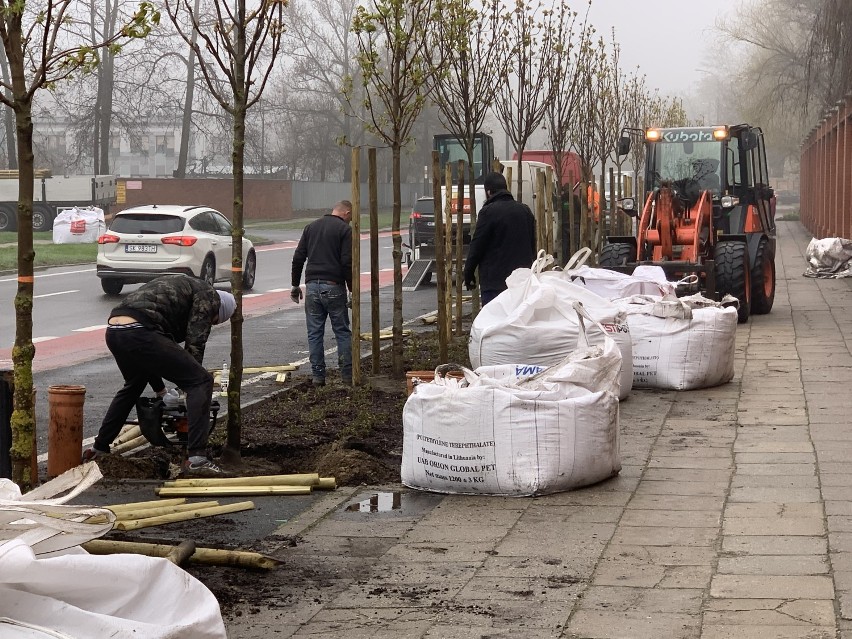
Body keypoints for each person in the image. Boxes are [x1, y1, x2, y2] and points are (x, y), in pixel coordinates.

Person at [82, 275, 236, 475]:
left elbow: (151, 359)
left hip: (115, 330)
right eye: (215, 321)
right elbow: (195, 341)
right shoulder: (210, 296)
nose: (212, 323)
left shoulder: (180, 289)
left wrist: (161, 392)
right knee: (201, 381)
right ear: (220, 310)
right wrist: (187, 387)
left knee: (134, 385)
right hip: (140, 330)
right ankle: (197, 458)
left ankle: (99, 448)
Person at [290, 200, 353, 386]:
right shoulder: (344, 230)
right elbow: (346, 262)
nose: (350, 221)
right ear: (346, 213)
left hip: (312, 288)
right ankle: (347, 375)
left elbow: (298, 257)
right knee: (341, 331)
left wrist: (295, 285)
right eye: (351, 217)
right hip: (334, 286)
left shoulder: (311, 227)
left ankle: (318, 377)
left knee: (314, 333)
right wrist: (352, 289)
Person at [463, 172, 536, 306]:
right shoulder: (525, 211)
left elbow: (477, 245)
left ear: (488, 192)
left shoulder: (488, 212)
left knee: (494, 321)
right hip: (521, 282)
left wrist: (468, 273)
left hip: (494, 283)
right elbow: (533, 247)